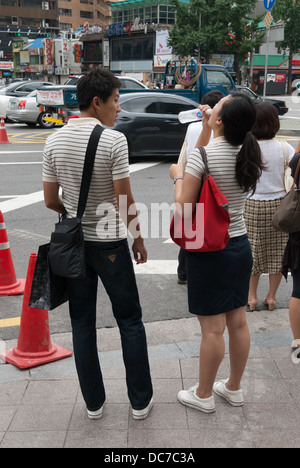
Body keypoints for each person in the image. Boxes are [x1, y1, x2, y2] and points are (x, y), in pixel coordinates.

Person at [43, 68, 153, 421]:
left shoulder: (54, 140)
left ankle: (94, 403)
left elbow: (49, 200)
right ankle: (139, 402)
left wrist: (73, 212)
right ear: (97, 102)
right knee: (130, 320)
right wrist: (138, 237)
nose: (118, 109)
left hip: (74, 247)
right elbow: (124, 199)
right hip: (109, 245)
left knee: (82, 323)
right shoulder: (113, 140)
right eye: (116, 101)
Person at [169, 92, 263, 413]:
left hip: (210, 250)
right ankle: (233, 388)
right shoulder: (248, 151)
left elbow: (184, 208)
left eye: (219, 106)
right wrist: (209, 126)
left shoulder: (202, 158)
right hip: (239, 246)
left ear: (220, 119)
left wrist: (177, 176)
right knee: (238, 322)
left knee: (212, 328)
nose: (214, 107)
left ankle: (204, 394)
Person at [244, 102, 295, 311]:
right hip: (280, 207)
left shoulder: (246, 147)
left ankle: (252, 298)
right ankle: (272, 297)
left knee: (252, 252)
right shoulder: (285, 147)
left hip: (251, 205)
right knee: (278, 252)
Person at [177, 90, 224, 285]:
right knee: (208, 226)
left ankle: (183, 272)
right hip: (210, 184)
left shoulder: (193, 127)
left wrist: (179, 175)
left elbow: (186, 153)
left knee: (189, 225)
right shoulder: (222, 130)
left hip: (191, 178)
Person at [282, 140, 300, 357]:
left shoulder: (297, 159)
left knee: (299, 289)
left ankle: (298, 341)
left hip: (299, 233)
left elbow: (289, 185)